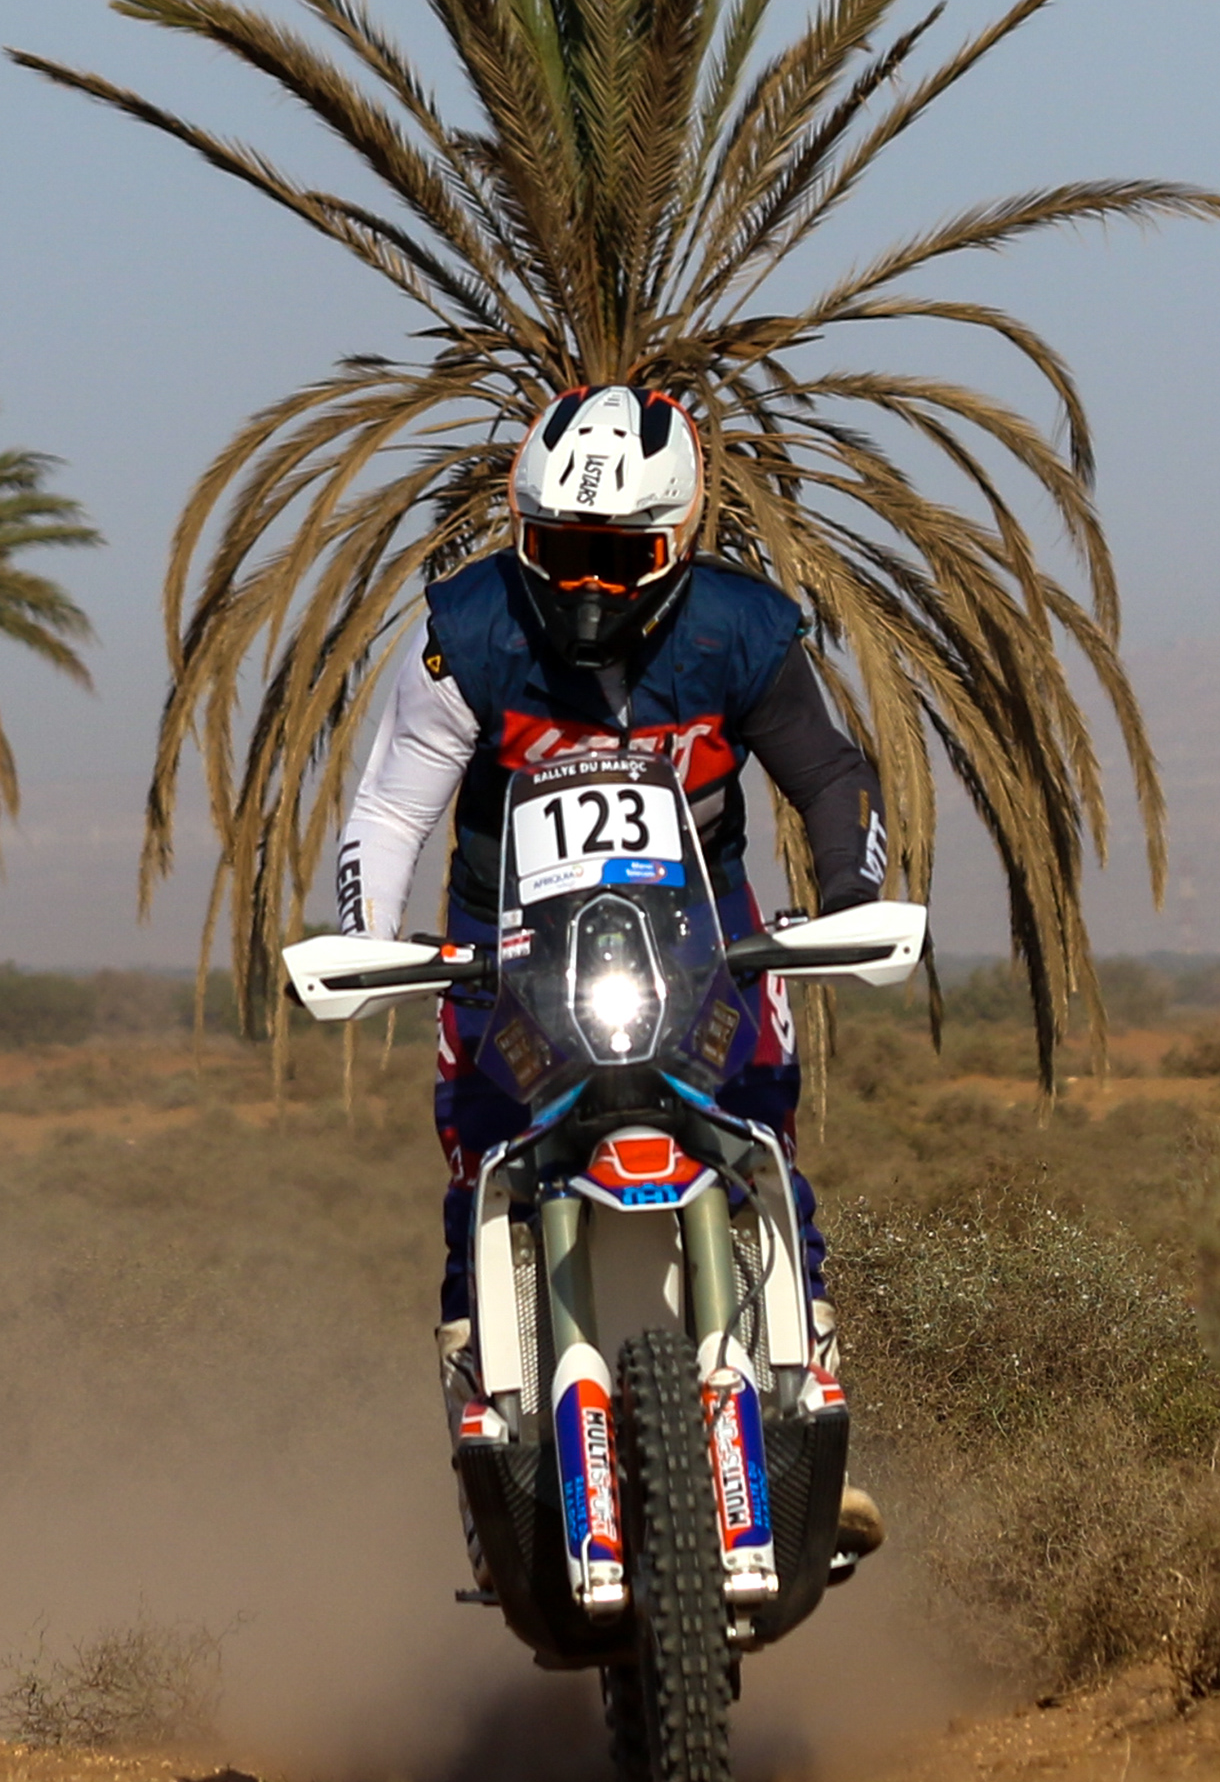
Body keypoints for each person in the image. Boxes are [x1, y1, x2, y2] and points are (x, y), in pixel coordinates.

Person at [330, 384, 891, 1543]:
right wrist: (366, 934)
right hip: (507, 935)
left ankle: (811, 1395)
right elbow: (388, 805)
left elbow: (832, 774)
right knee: (480, 1155)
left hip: (701, 928)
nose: (585, 584)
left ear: (676, 540)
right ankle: (483, 1450)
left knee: (762, 1128)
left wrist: (848, 897)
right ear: (522, 533)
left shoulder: (745, 630)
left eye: (617, 554)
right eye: (561, 550)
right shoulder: (465, 630)